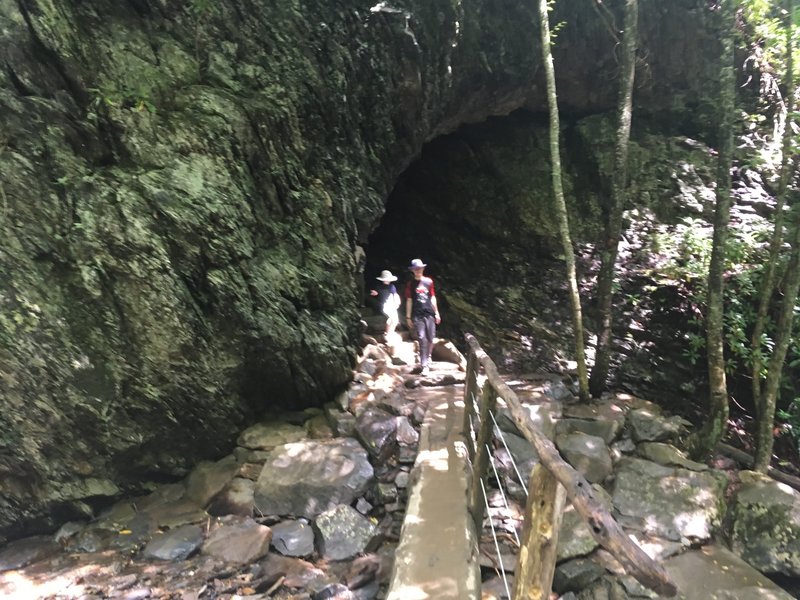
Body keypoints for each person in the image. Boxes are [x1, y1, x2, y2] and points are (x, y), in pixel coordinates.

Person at [404, 258, 441, 374]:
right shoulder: (411, 284)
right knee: (421, 337)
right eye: (416, 269)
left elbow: (433, 297)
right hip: (417, 314)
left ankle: (428, 356)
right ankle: (424, 365)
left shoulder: (429, 282)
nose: (418, 270)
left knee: (431, 337)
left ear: (423, 269)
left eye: (419, 268)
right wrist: (408, 317)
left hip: (429, 312)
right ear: (413, 271)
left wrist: (437, 312)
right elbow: (409, 300)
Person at [370, 270, 401, 339]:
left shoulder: (392, 286)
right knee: (394, 319)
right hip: (385, 305)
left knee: (393, 320)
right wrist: (375, 294)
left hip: (392, 305)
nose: (387, 281)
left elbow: (395, 294)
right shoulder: (379, 287)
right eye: (385, 279)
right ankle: (389, 333)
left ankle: (388, 332)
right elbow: (375, 294)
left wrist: (397, 301)